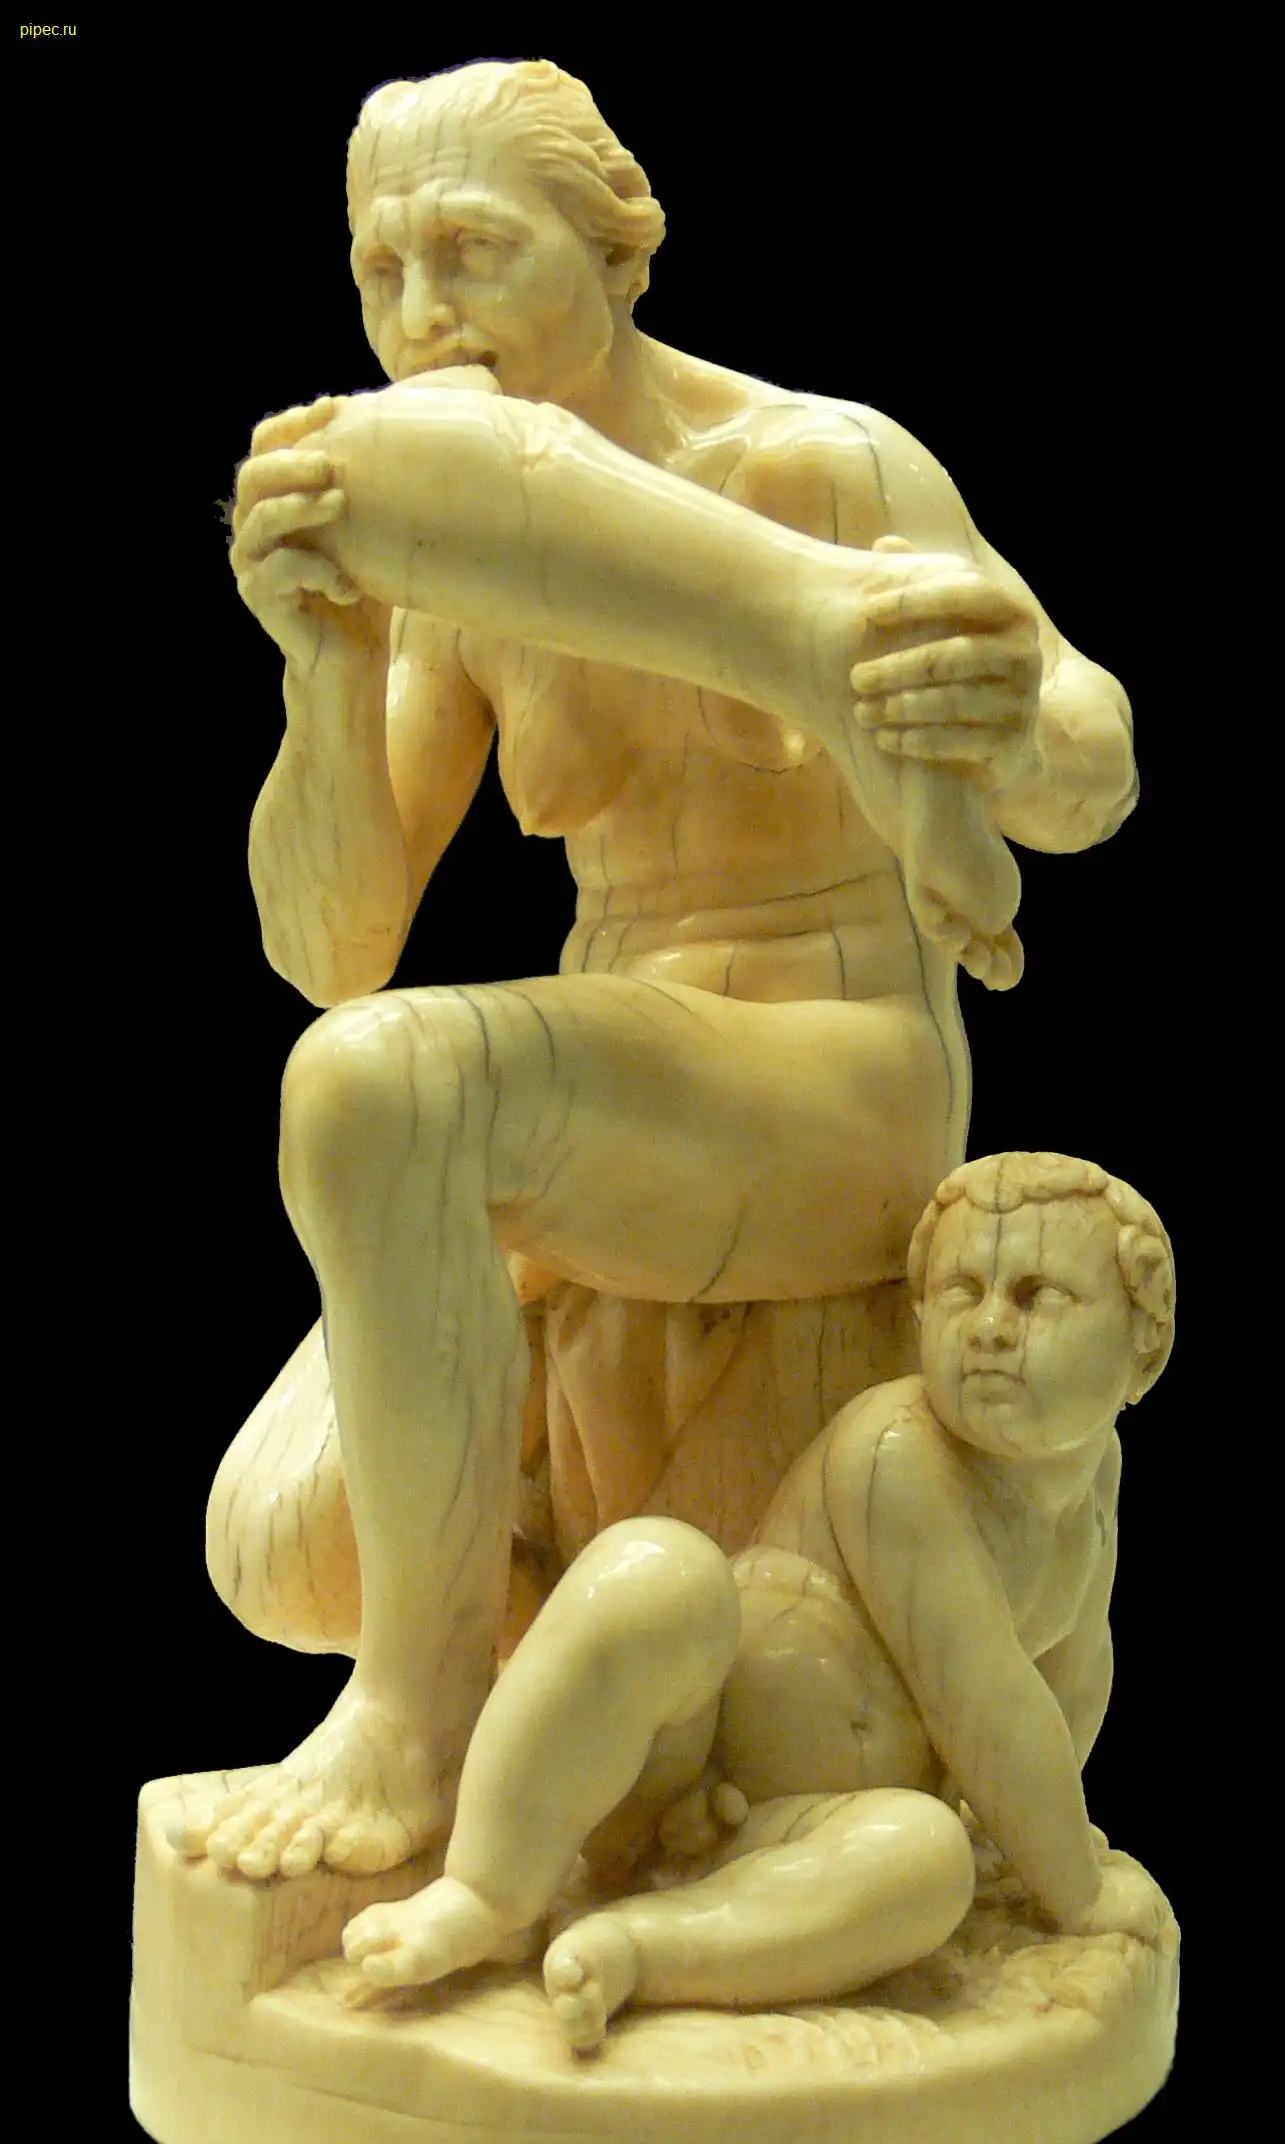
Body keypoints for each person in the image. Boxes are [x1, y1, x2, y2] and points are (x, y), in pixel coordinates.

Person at [172, 61, 1136, 1885]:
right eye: (379, 269)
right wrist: (321, 664)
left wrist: (1009, 710)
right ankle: (606, 1695)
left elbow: (1088, 770)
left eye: (473, 250)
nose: (423, 311)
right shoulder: (448, 573)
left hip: (834, 1052)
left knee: (381, 1083)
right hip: (622, 1069)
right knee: (275, 1546)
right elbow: (329, 946)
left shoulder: (816, 461)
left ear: (622, 254)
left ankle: (415, 1726)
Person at [339, 1154, 1174, 2050]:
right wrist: (1076, 1888)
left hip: (794, 1827)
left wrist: (1019, 1843)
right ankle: (487, 1892)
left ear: (1144, 1345)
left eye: (1038, 1296)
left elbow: (1072, 1669)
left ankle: (647, 1946)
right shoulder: (899, 1453)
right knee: (658, 1574)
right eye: (962, 1292)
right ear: (920, 1316)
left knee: (928, 1863)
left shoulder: (1093, 1479)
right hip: (674, 1752)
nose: (992, 1329)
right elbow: (982, 1700)